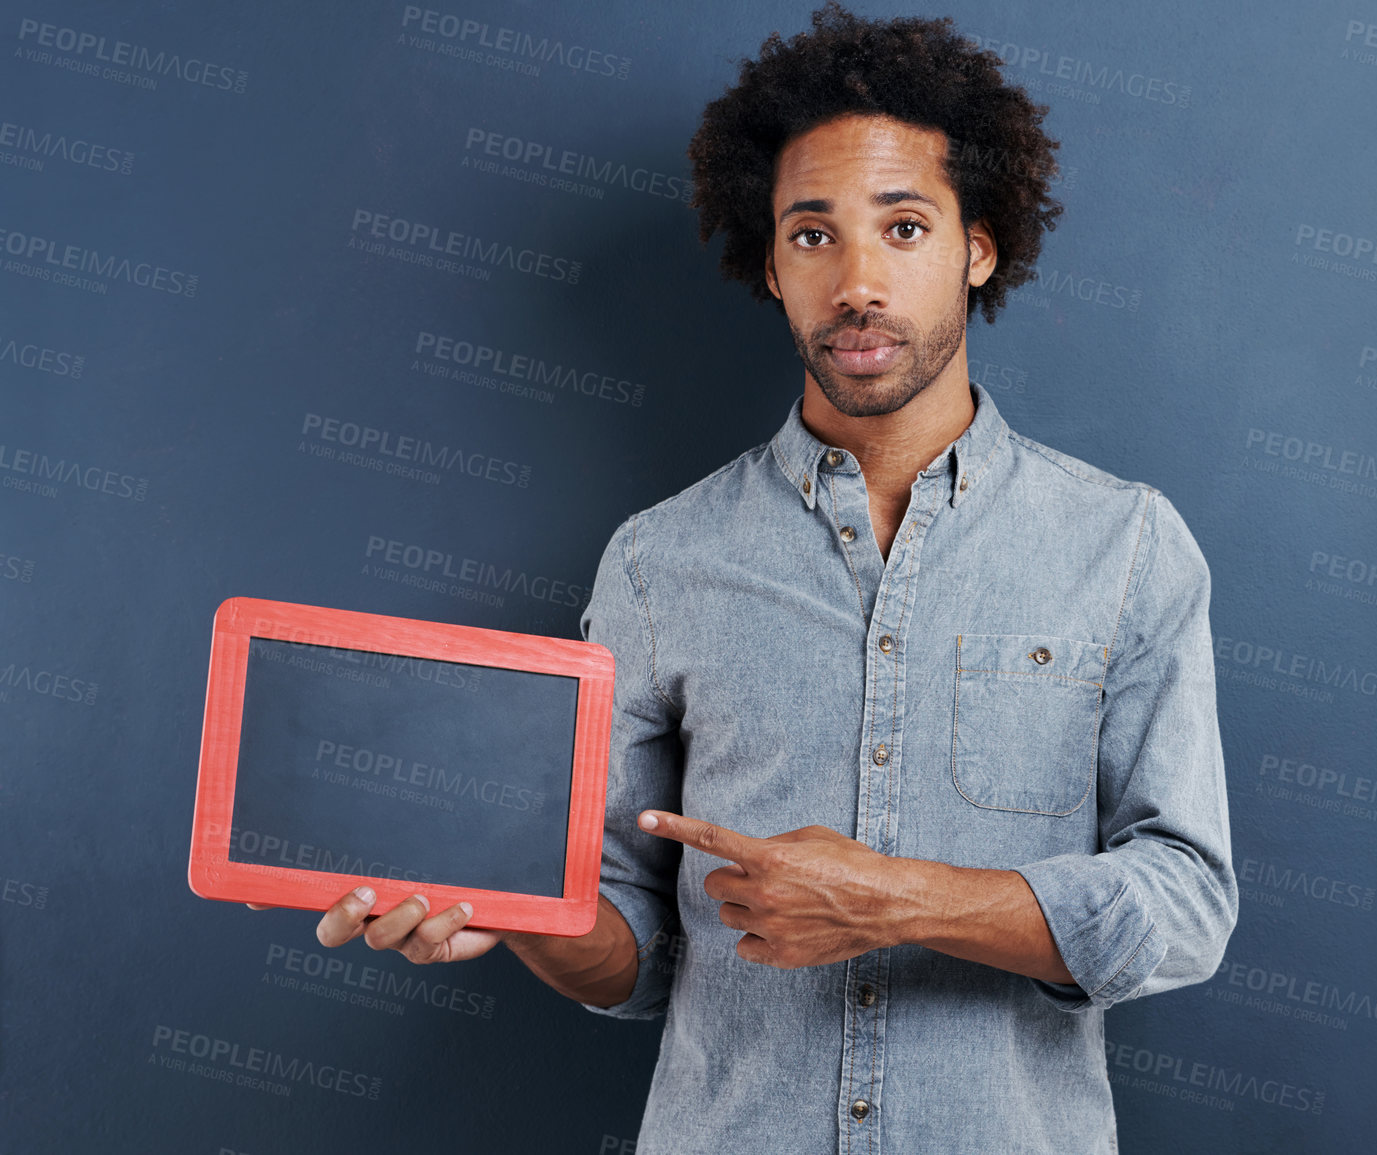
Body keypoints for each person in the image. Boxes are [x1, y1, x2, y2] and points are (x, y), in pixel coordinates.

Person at [307, 6, 1235, 1151]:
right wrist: (507, 906)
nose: (856, 282)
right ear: (769, 260)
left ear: (977, 245)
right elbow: (628, 957)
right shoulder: (658, 561)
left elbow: (1188, 905)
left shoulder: (1128, 545)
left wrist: (894, 899)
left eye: (903, 227)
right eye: (813, 235)